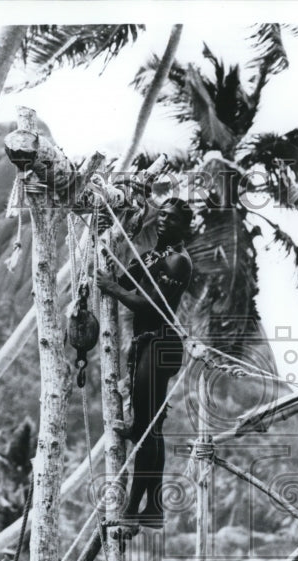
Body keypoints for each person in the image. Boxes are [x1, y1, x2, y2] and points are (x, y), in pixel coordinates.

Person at [95, 198, 194, 528]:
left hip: (161, 345)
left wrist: (109, 286)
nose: (164, 221)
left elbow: (149, 305)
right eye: (162, 215)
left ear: (185, 227)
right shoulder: (154, 256)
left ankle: (134, 510)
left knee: (146, 430)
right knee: (147, 428)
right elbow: (126, 281)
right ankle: (151, 509)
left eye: (173, 219)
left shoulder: (179, 262)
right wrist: (109, 250)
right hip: (145, 347)